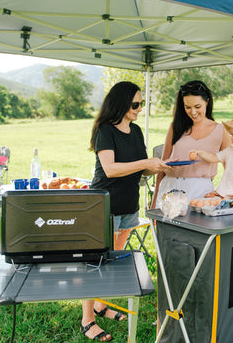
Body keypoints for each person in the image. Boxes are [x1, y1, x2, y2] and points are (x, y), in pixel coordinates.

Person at [82, 81, 171, 342]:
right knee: (95, 262)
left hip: (129, 206)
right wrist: (144, 162)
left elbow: (139, 168)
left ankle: (100, 305)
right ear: (120, 103)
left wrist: (156, 167)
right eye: (134, 104)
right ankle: (87, 320)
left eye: (141, 104)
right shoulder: (105, 131)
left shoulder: (136, 130)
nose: (138, 108)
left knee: (111, 261)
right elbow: (110, 168)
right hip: (105, 206)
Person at [152, 80, 231, 208]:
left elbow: (230, 169)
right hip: (170, 189)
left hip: (201, 191)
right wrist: (154, 200)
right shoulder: (175, 127)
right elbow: (162, 166)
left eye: (197, 107)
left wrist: (226, 194)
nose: (193, 112)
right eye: (188, 107)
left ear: (207, 102)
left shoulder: (221, 130)